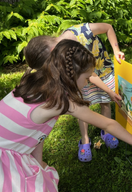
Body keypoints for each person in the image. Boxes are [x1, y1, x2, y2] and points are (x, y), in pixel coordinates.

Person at [0, 39, 132, 191]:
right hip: (5, 160)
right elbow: (108, 124)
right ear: (71, 76)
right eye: (87, 78)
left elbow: (37, 133)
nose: (88, 82)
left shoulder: (34, 79)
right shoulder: (61, 102)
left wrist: (39, 162)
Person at [25, 23, 125, 162]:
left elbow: (108, 27)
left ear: (53, 51)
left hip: (103, 71)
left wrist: (116, 50)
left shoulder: (82, 33)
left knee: (105, 102)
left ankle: (106, 133)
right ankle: (85, 139)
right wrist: (108, 90)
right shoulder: (64, 56)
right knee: (83, 108)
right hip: (84, 78)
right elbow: (89, 76)